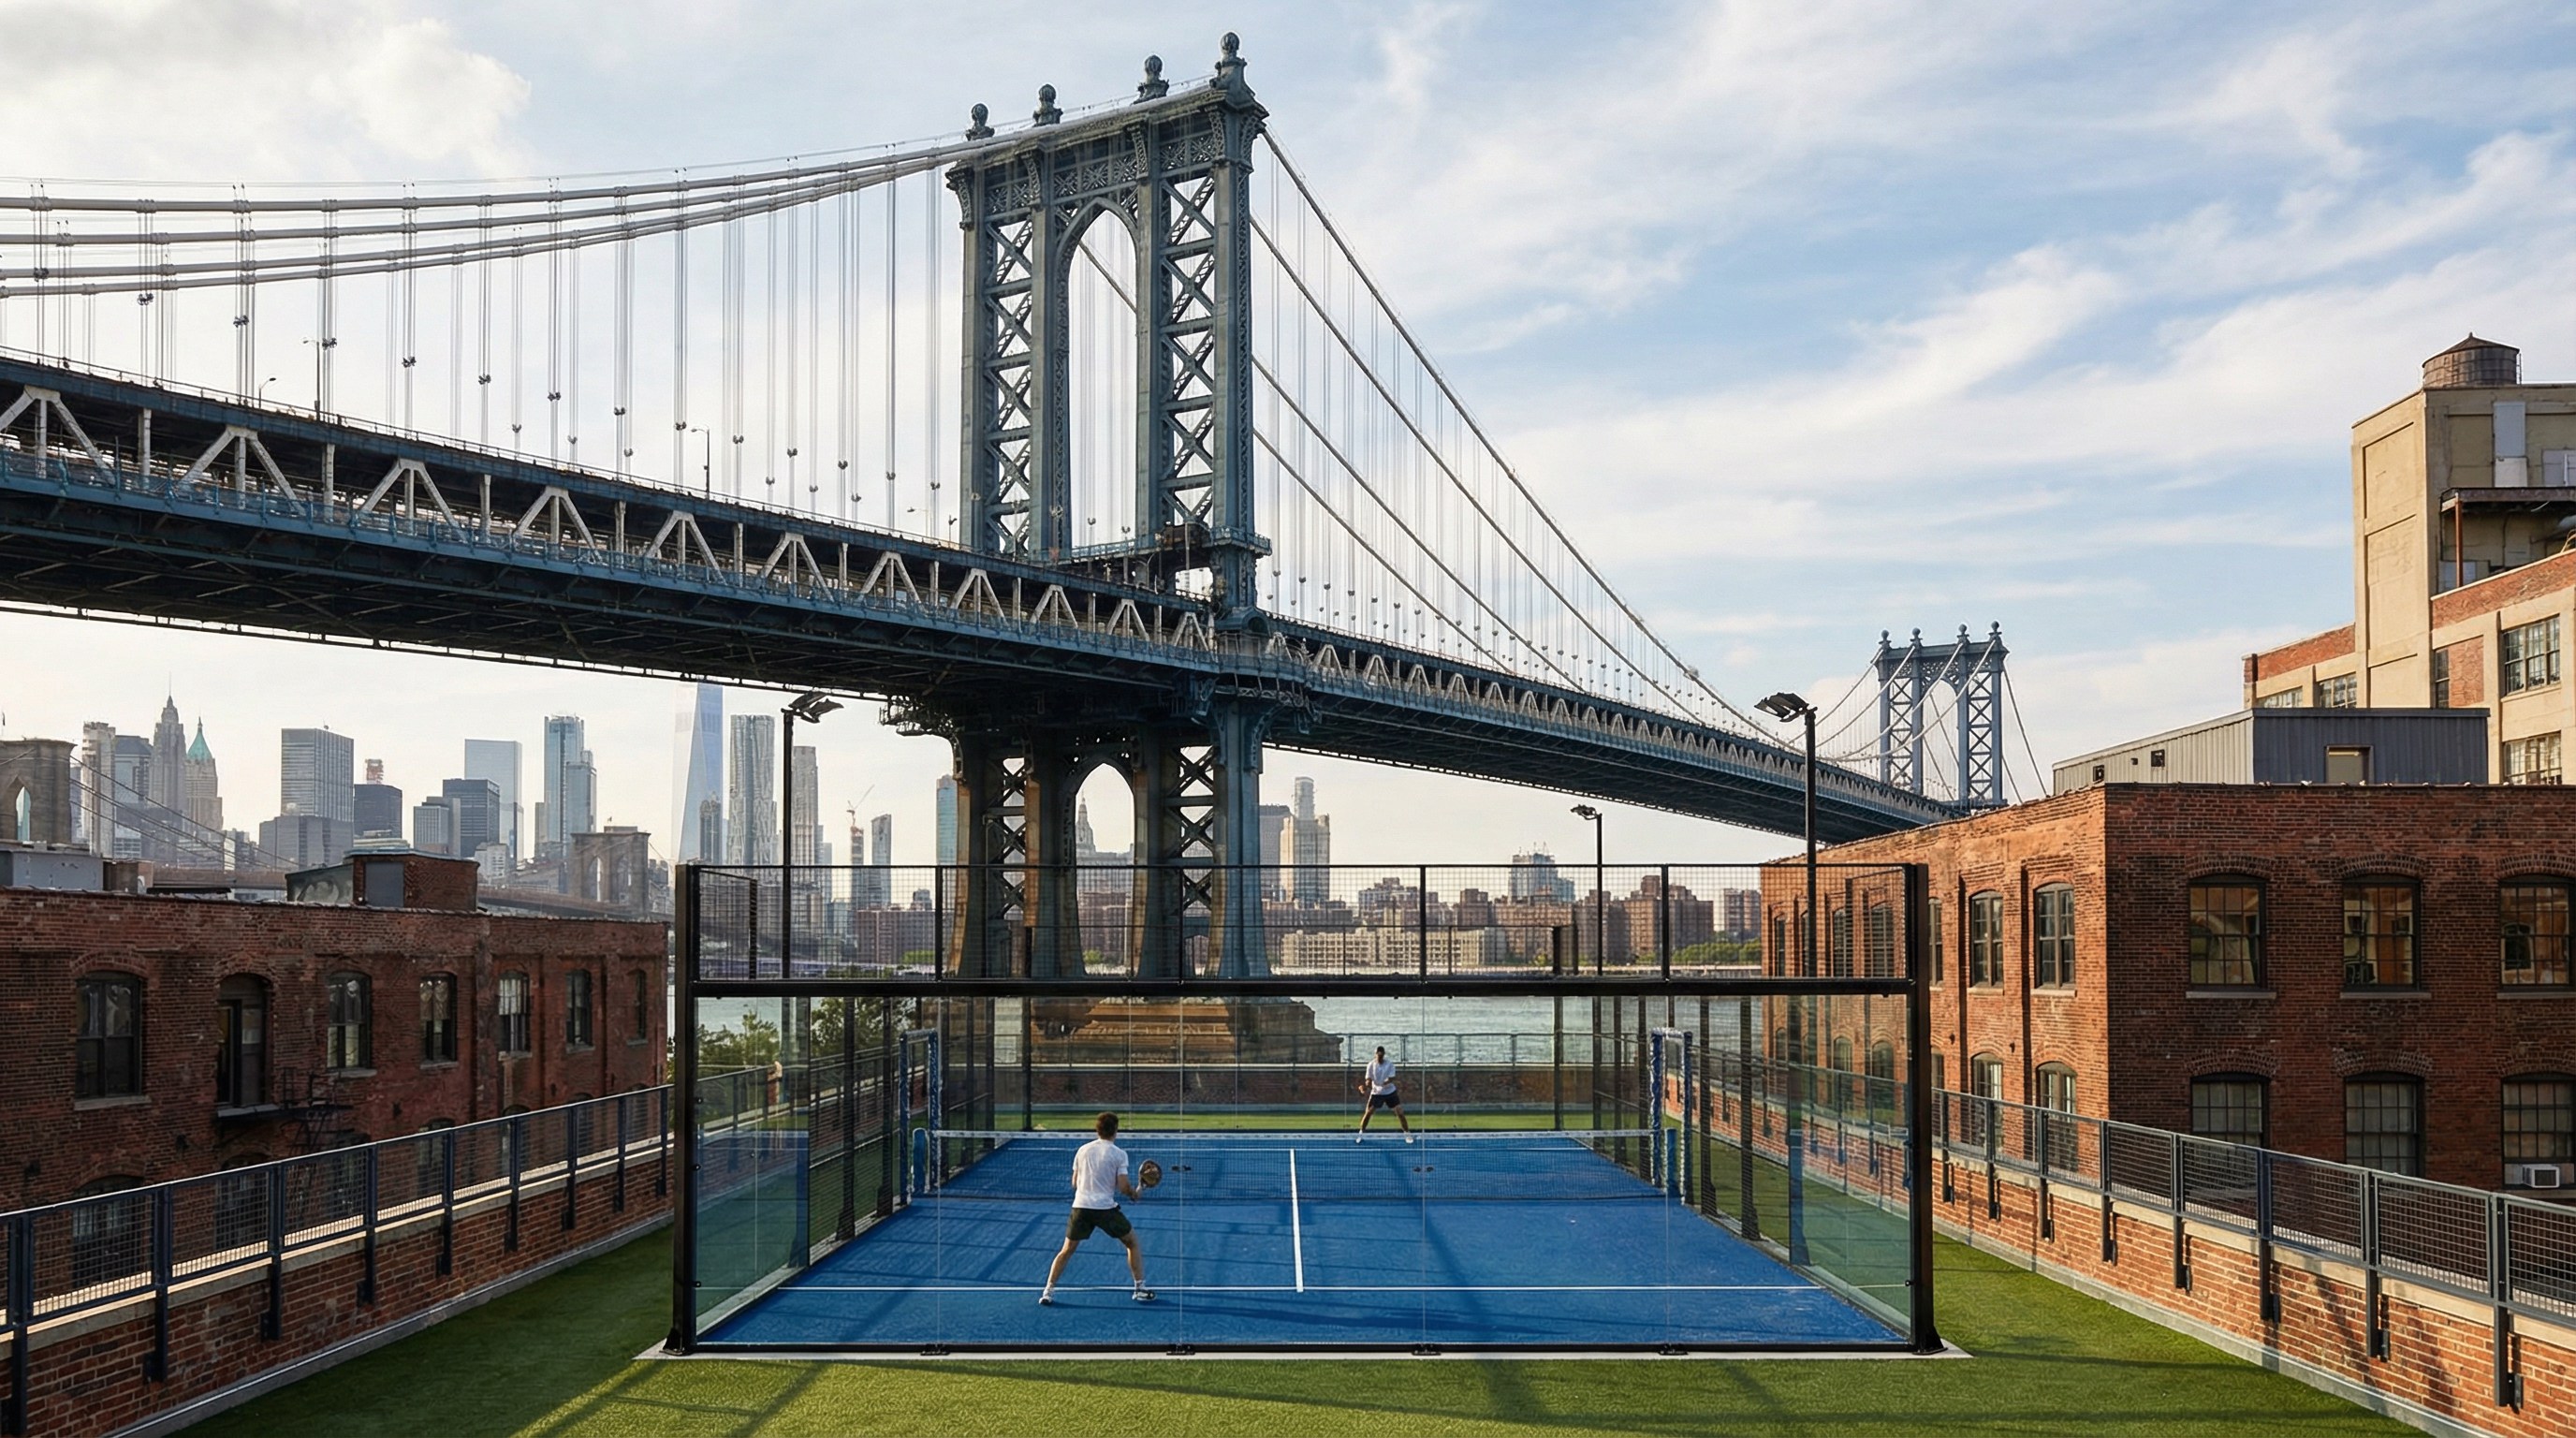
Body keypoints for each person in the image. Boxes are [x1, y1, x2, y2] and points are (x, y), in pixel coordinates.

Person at [1041, 1110, 1153, 1305]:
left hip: (1081, 1207)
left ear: (1097, 1130)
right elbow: (1123, 1187)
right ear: (1115, 1130)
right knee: (1132, 1243)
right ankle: (1140, 1289)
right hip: (1105, 1210)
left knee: (1066, 1250)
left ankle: (1047, 1292)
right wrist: (1134, 1194)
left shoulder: (1082, 1150)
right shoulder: (1119, 1154)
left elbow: (1074, 1183)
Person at [1356, 1045, 1413, 1141]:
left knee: (1399, 1112)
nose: (1379, 1056)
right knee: (1368, 1112)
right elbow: (1368, 1079)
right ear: (1375, 1054)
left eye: (1381, 1054)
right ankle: (1361, 1134)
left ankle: (1407, 1134)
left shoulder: (1389, 1065)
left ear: (1383, 1054)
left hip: (1390, 1092)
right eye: (1378, 1054)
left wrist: (1383, 1084)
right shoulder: (1371, 1065)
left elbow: (1390, 1078)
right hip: (1376, 1093)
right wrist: (1367, 1084)